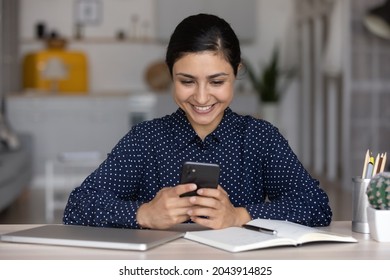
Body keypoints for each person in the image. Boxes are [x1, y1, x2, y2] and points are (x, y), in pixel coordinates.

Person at [63, 13, 332, 230]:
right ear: (170, 75)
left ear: (236, 73)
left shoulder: (259, 137)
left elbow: (316, 207)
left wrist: (240, 215)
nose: (202, 97)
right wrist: (143, 213)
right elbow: (77, 207)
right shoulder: (145, 139)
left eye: (217, 81)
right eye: (187, 81)